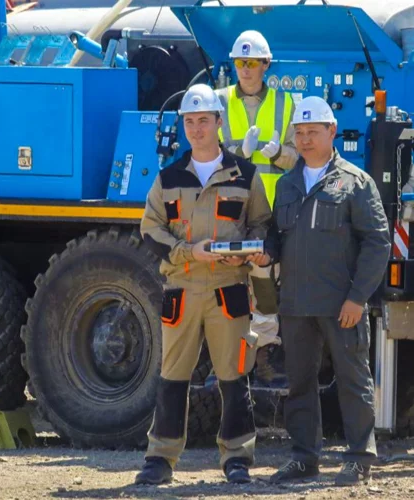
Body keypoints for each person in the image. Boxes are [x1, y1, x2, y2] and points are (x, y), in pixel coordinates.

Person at [248, 96, 390, 486]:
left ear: (331, 132)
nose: (306, 139)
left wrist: (358, 297)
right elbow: (278, 236)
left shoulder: (355, 183)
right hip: (295, 304)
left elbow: (378, 242)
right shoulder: (289, 182)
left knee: (353, 380)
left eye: (313, 132)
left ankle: (360, 457)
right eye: (300, 132)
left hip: (340, 303)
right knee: (299, 385)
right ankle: (304, 458)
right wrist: (265, 255)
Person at [135, 84, 271, 486]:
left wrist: (250, 252)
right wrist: (190, 251)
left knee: (234, 376)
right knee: (173, 377)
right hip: (182, 289)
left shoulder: (245, 176)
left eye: (203, 121)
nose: (196, 129)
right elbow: (150, 230)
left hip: (229, 289)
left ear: (217, 123)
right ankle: (160, 458)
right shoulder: (168, 178)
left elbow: (261, 224)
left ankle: (237, 459)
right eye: (190, 122)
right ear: (184, 126)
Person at [215, 30, 298, 387]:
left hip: (270, 213)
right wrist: (240, 154)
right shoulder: (217, 101)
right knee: (225, 281)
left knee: (264, 278)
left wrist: (277, 152)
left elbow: (299, 160)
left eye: (252, 63)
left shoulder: (286, 103)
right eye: (239, 62)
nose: (245, 69)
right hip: (229, 209)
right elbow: (207, 158)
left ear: (266, 65)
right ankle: (226, 357)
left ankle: (261, 356)